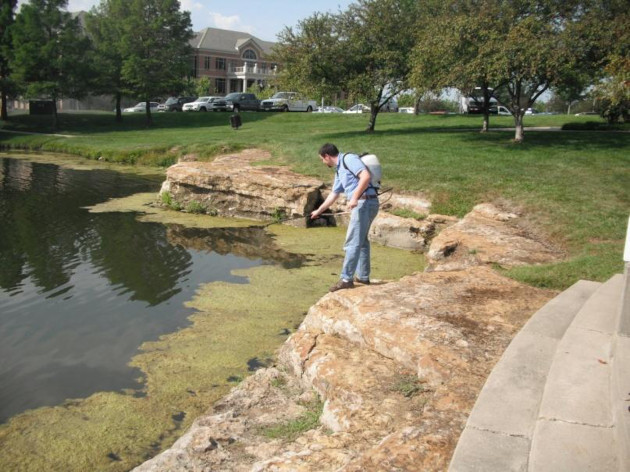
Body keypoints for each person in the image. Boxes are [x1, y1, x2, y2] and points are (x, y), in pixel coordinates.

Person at [310, 143, 379, 292]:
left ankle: (346, 279)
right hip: (367, 202)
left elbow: (365, 176)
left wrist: (354, 198)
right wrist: (319, 211)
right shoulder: (339, 170)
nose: (323, 162)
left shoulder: (349, 159)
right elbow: (334, 194)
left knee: (352, 241)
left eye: (322, 159)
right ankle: (363, 276)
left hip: (364, 203)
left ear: (327, 156)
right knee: (362, 241)